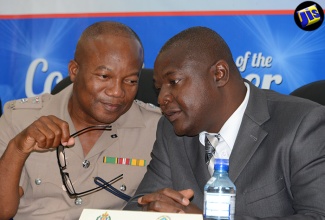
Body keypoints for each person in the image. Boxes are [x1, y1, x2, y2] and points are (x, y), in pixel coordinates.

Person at [124, 26, 325, 219]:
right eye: (159, 89)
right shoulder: (170, 132)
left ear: (219, 74)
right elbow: (137, 207)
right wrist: (154, 209)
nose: (161, 99)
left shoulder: (303, 124)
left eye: (173, 82)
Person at [0, 21, 161, 220]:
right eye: (104, 76)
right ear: (74, 70)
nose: (117, 92)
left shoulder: (156, 129)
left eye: (131, 81)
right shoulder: (19, 119)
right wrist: (18, 148)